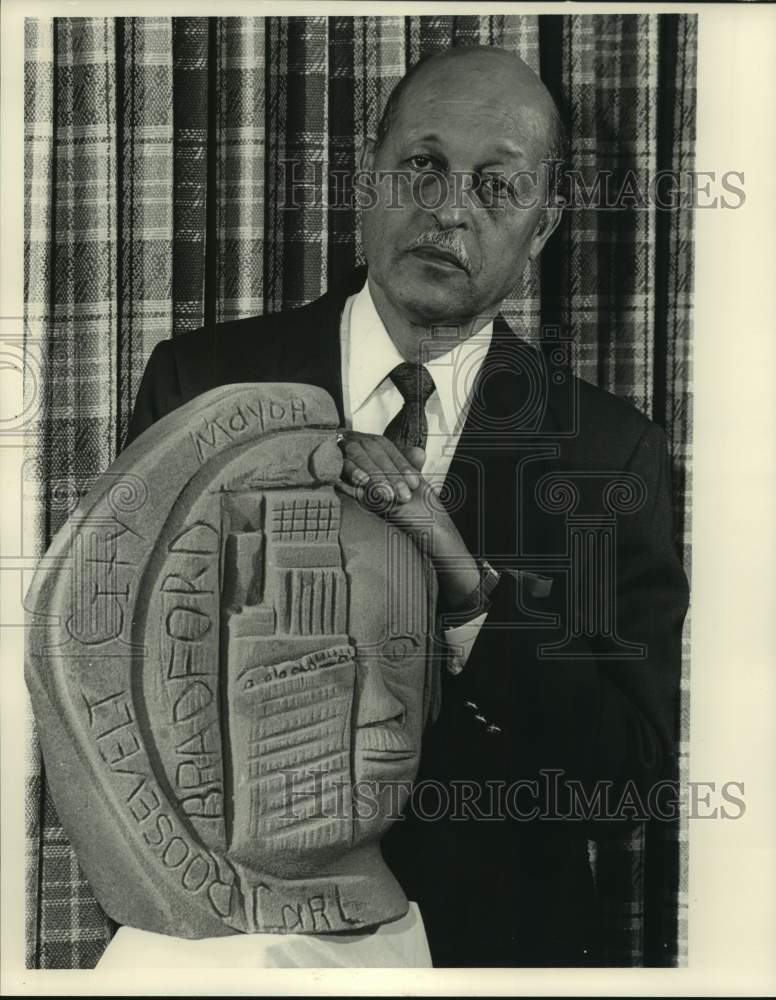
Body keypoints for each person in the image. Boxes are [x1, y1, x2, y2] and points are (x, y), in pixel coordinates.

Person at [126, 45, 689, 967]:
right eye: (422, 168)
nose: (450, 209)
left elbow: (622, 786)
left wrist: (472, 603)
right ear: (368, 182)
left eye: (498, 187)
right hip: (224, 940)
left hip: (492, 948)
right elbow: (126, 674)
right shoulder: (200, 382)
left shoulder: (609, 452)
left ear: (542, 229)